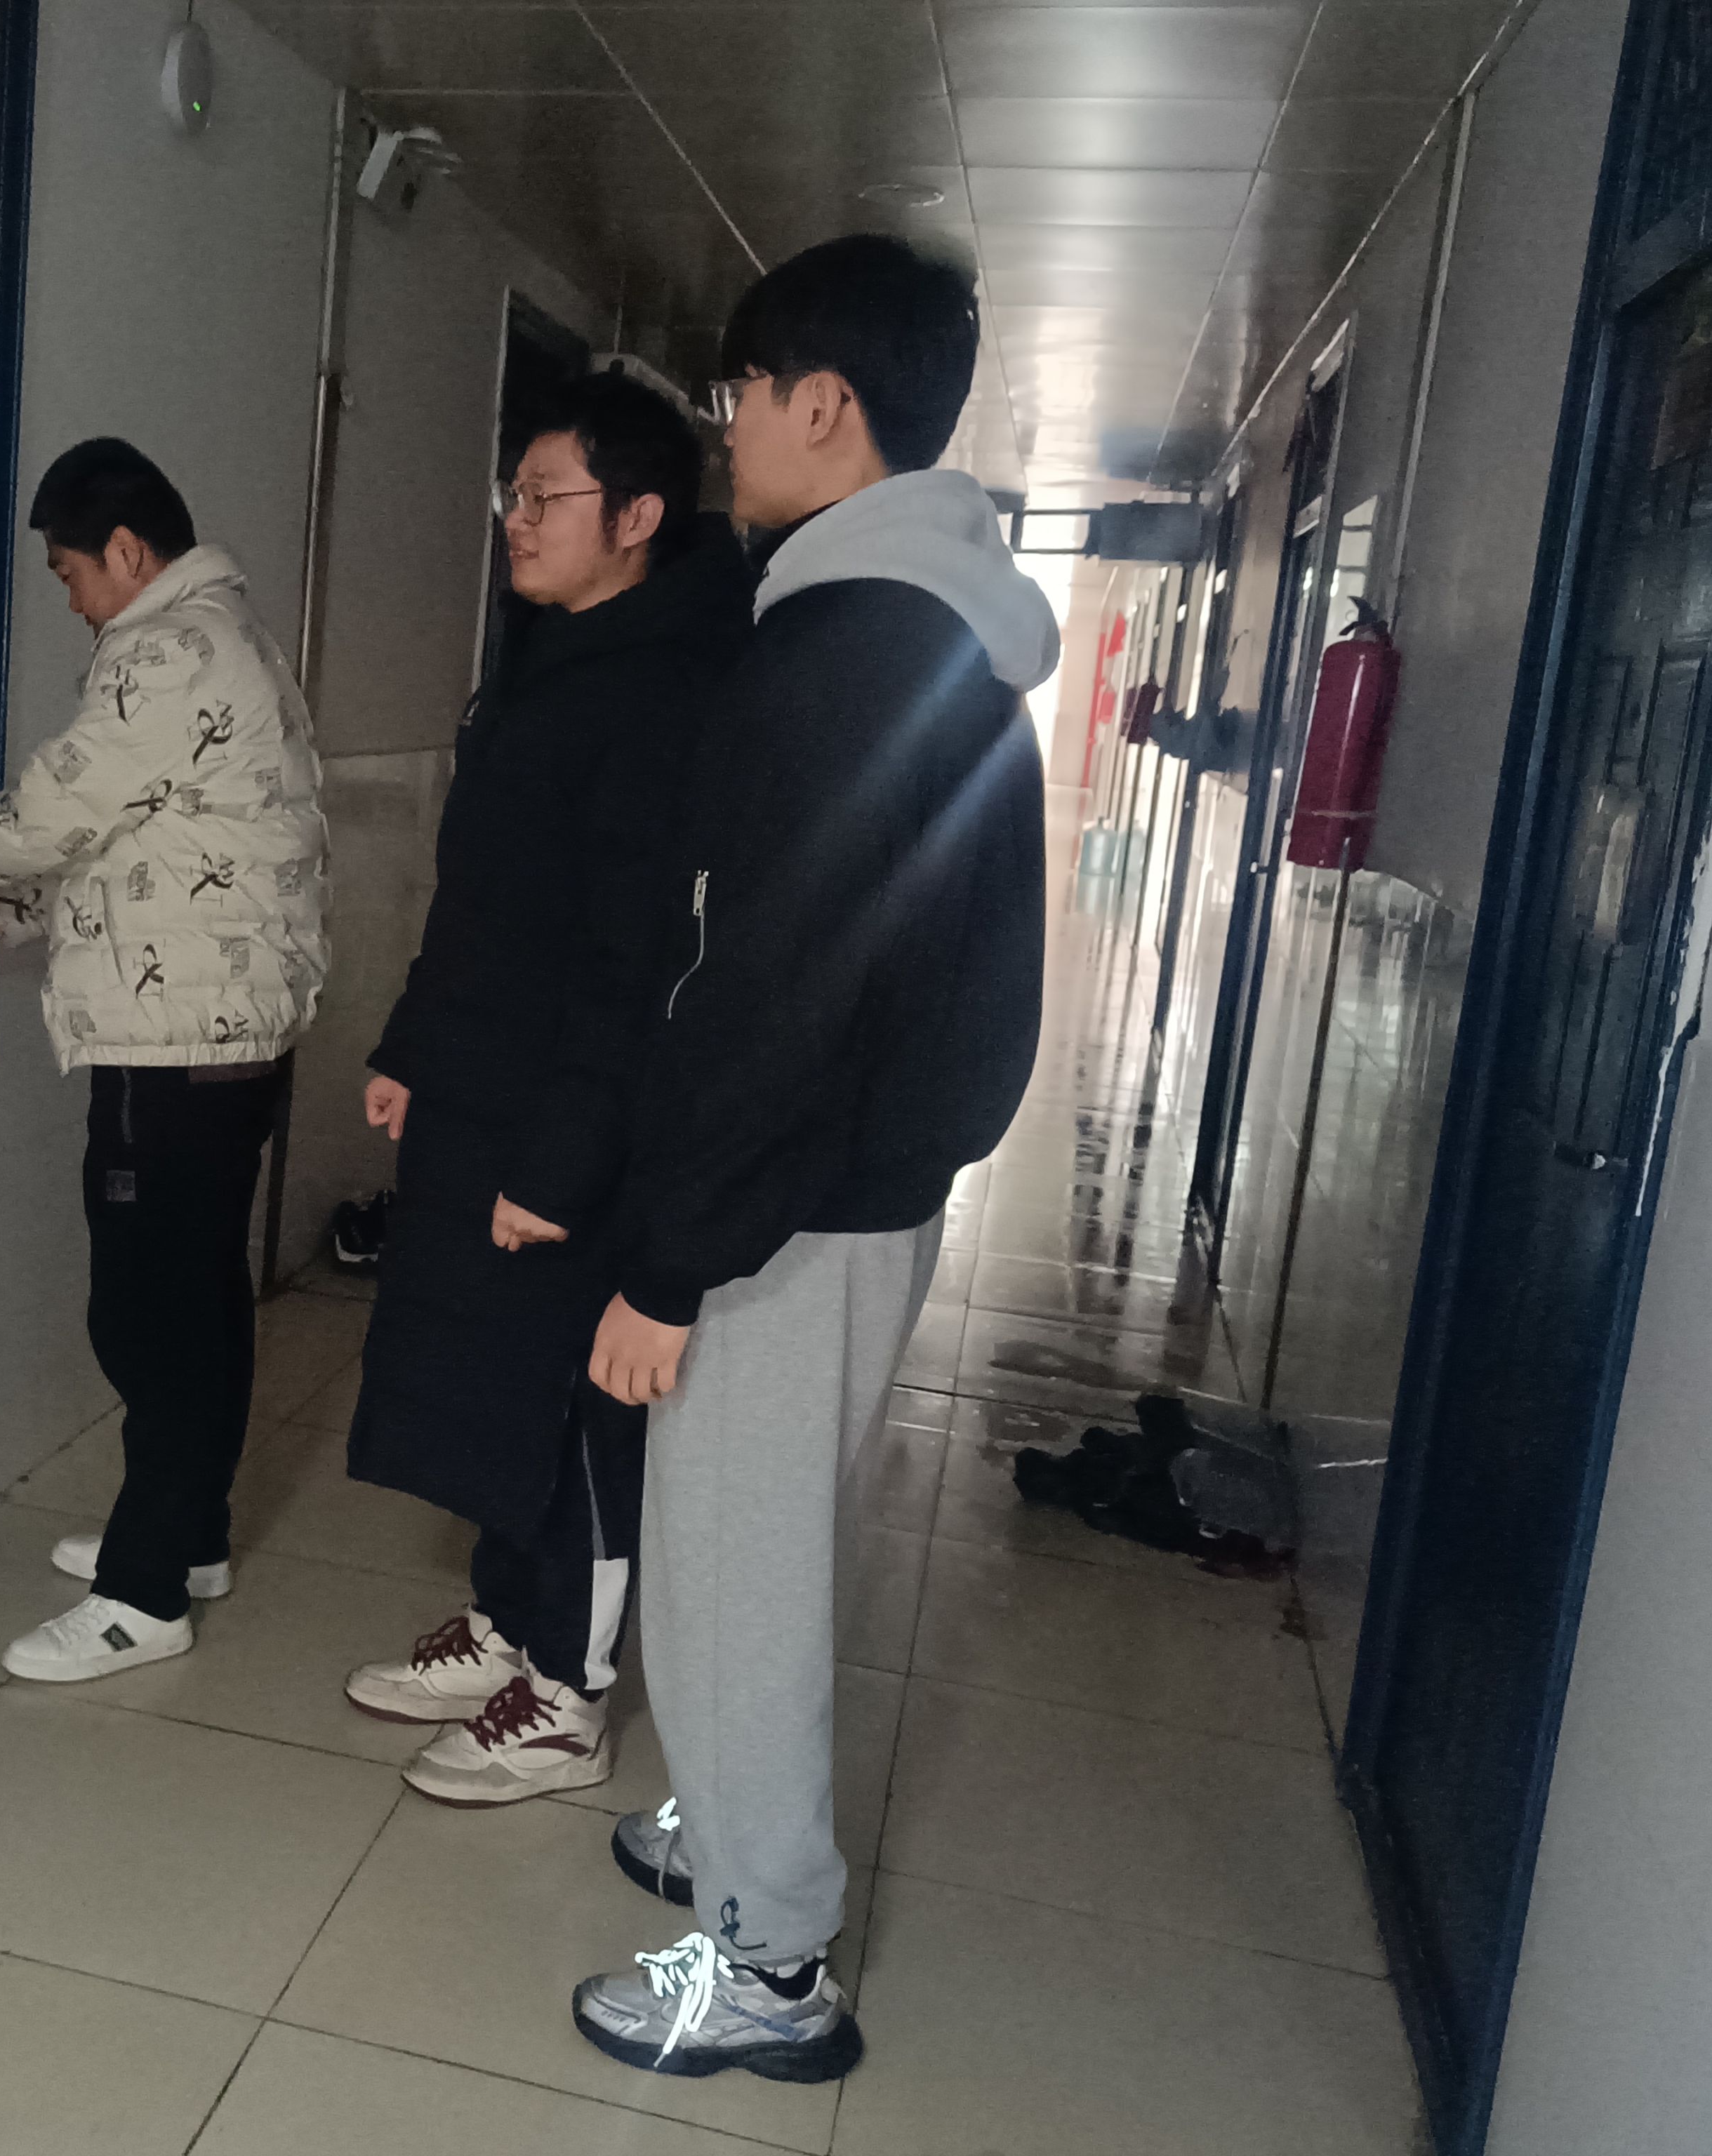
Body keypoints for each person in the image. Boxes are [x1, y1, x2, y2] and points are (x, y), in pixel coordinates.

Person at [564, 237, 1059, 2081]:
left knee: (732, 1577)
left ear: (824, 406)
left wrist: (666, 1261)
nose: (729, 430)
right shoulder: (921, 626)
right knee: (758, 1552)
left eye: (741, 396)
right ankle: (730, 1819)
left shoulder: (847, 651)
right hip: (858, 1187)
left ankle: (765, 1959)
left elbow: (766, 993)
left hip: (786, 1209)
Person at [341, 374, 751, 1806]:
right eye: (511, 496)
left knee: (571, 1406)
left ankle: (566, 1695)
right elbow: (482, 897)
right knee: (483, 1379)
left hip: (568, 1119)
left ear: (636, 517)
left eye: (545, 498)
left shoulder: (667, 688)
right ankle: (509, 1626)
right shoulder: (545, 652)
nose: (515, 521)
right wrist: (412, 1043)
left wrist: (562, 1160)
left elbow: (630, 963)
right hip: (486, 1089)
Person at [0, 437, 329, 1684]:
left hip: (176, 1046)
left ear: (129, 553)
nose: (74, 600)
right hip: (223, 1031)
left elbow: (57, 811)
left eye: (71, 572)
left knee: (148, 1313)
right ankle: (187, 1535)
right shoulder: (233, 635)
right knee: (199, 1296)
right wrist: (4, 914)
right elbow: (153, 838)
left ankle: (143, 1597)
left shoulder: (167, 647)